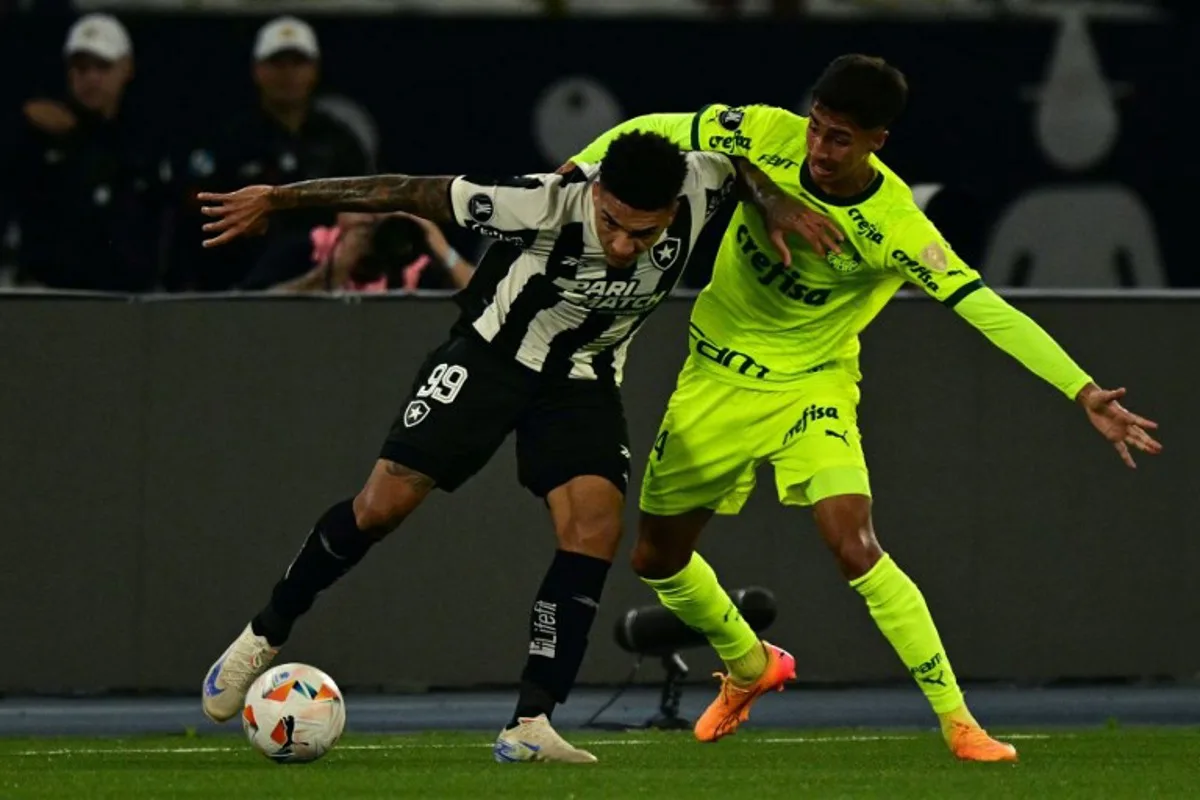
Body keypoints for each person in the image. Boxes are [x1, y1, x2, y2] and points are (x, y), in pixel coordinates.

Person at [568, 54, 1163, 762]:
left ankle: (958, 721)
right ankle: (749, 661)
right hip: (715, 380)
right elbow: (657, 133)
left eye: (840, 138)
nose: (819, 149)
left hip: (814, 386)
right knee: (656, 559)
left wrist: (1083, 389)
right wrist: (577, 170)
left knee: (855, 545)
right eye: (817, 128)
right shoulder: (767, 134)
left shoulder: (897, 226)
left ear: (878, 140)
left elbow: (987, 312)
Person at [193, 131, 824, 763]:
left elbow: (739, 168)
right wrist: (276, 198)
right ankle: (264, 631)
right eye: (613, 225)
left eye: (646, 234)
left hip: (585, 378)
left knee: (594, 531)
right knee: (378, 510)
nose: (625, 247)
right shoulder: (540, 203)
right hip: (492, 358)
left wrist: (773, 200)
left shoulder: (699, 182)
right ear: (595, 193)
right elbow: (405, 190)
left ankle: (530, 724)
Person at [166, 16, 370, 291]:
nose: (287, 73)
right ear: (257, 70)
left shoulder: (339, 142)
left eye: (297, 63)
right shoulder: (230, 141)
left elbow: (365, 214)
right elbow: (197, 221)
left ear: (314, 70)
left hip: (325, 289)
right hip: (241, 288)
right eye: (277, 63)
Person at [1, 13, 170, 292]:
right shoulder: (40, 132)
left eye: (103, 67)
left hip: (127, 299)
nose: (91, 78)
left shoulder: (145, 140)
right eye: (81, 68)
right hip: (48, 295)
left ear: (126, 68)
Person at [240, 211, 475, 293]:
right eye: (359, 207)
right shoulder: (303, 249)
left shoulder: (412, 263)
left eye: (380, 208)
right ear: (339, 213)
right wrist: (326, 275)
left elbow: (491, 306)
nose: (370, 217)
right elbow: (243, 313)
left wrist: (441, 247)